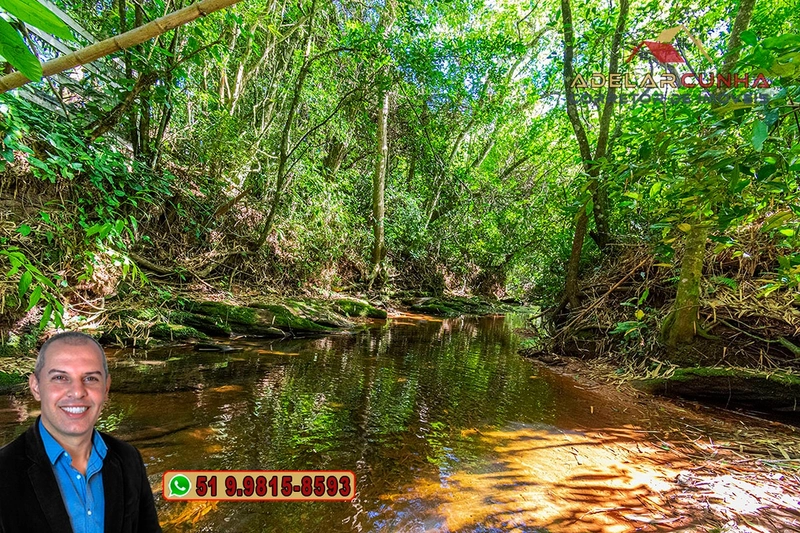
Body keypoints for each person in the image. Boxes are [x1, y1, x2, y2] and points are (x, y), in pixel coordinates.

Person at [0, 331, 162, 533]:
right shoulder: (4, 471)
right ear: (36, 387)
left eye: (91, 378)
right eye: (60, 377)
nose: (77, 392)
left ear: (106, 388)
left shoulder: (128, 459)